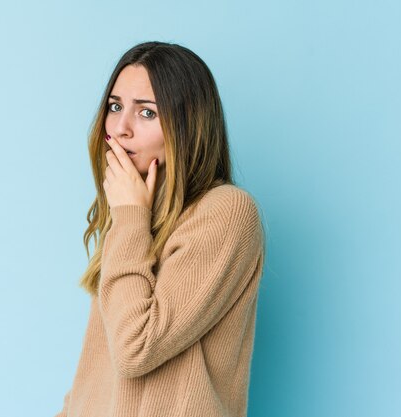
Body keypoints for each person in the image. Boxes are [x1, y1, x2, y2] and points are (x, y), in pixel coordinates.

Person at [54, 41, 266, 417]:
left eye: (147, 112)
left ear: (187, 124)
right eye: (115, 106)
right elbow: (96, 370)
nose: (121, 128)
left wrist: (130, 217)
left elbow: (135, 348)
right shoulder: (133, 217)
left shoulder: (227, 212)